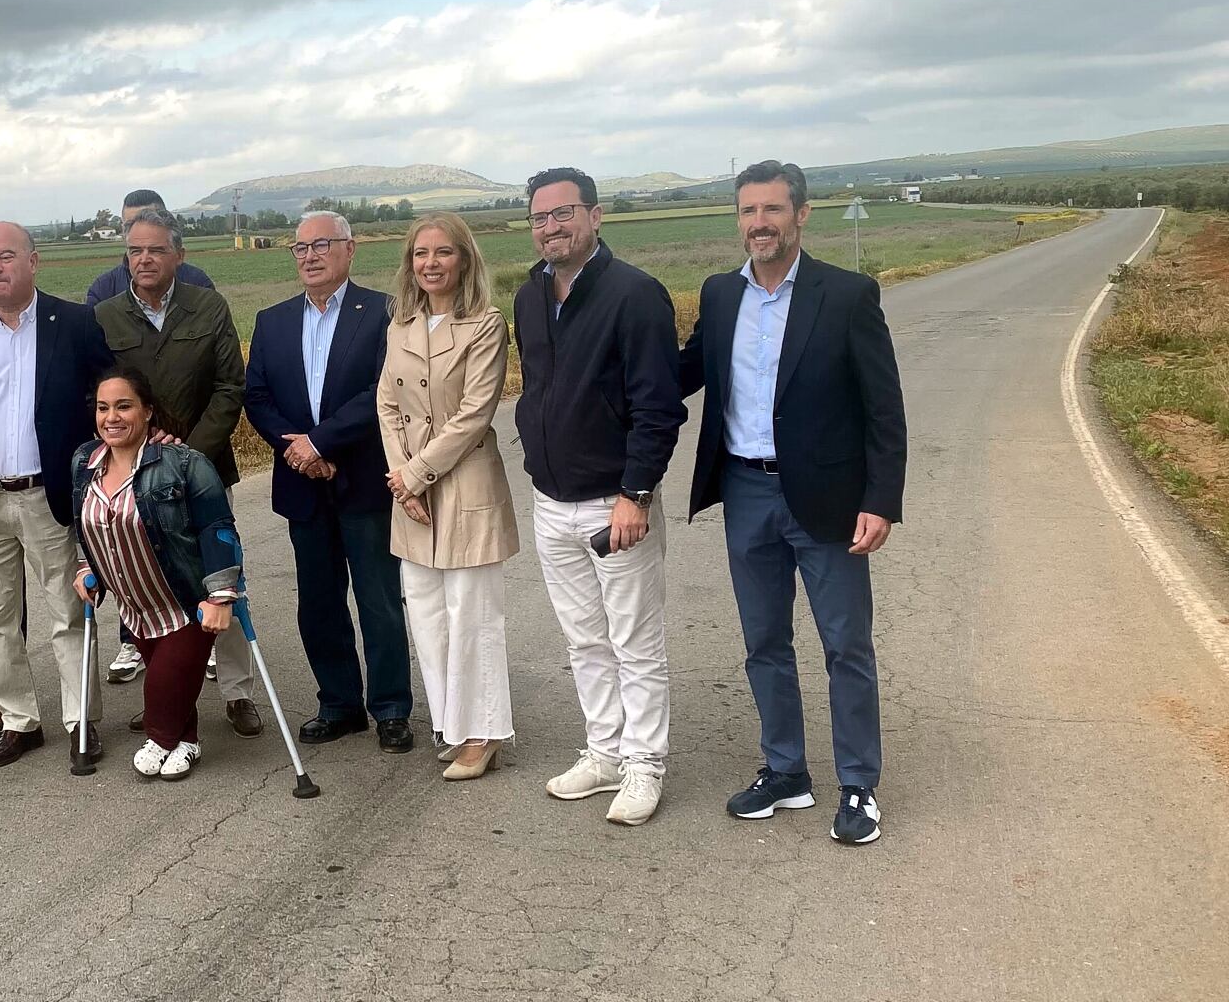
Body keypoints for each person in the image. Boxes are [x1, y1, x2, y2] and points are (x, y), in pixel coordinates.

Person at [679, 160, 907, 845]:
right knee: (763, 642)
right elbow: (681, 373)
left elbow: (884, 409)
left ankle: (858, 783)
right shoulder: (721, 294)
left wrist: (881, 501)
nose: (760, 223)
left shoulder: (847, 295)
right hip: (745, 491)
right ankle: (785, 772)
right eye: (749, 211)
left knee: (846, 645)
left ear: (801, 214)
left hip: (829, 498)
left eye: (773, 209)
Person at [514, 167, 685, 825]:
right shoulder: (531, 296)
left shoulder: (635, 294)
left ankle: (645, 765)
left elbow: (657, 407)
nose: (551, 227)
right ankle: (606, 752)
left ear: (595, 215)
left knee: (634, 642)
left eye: (563, 213)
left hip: (616, 502)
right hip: (552, 500)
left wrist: (636, 493)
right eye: (540, 218)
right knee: (584, 641)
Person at [0, 221, 115, 767]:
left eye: (6, 257)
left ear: (34, 262)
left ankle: (81, 722)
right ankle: (19, 721)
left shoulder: (74, 323)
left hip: (49, 497)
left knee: (68, 613)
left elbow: (110, 400)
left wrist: (105, 472)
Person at [243, 210, 413, 753]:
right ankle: (339, 704)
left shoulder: (384, 312)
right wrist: (298, 451)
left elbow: (384, 389)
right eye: (301, 247)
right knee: (318, 603)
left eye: (322, 245)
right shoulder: (272, 321)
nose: (310, 256)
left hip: (363, 479)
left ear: (350, 249)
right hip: (303, 484)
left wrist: (320, 442)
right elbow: (257, 397)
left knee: (378, 600)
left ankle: (391, 708)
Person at [92, 207, 262, 738]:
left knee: (223, 580)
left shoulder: (207, 306)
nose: (145, 259)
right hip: (133, 478)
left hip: (204, 469)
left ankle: (237, 693)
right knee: (151, 589)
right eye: (135, 250)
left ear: (179, 255)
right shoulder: (106, 315)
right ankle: (167, 700)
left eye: (156, 249)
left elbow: (230, 386)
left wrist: (187, 454)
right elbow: (104, 397)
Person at [376, 213, 519, 781]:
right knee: (427, 614)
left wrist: (415, 475)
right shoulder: (400, 325)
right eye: (420, 253)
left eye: (443, 252)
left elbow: (474, 414)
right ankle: (454, 726)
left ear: (465, 259)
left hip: (464, 483)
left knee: (472, 615)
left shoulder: (485, 325)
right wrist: (401, 477)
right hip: (409, 490)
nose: (430, 263)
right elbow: (387, 404)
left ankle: (484, 732)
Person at [70, 368, 243, 780]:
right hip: (135, 607)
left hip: (186, 601)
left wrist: (221, 596)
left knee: (163, 687)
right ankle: (187, 742)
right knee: (178, 685)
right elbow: (85, 522)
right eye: (103, 408)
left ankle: (161, 737)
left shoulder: (184, 463)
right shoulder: (84, 461)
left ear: (147, 411)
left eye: (124, 406)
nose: (111, 417)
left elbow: (217, 528)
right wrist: (86, 567)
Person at [83, 189, 216, 308]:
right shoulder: (104, 290)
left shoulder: (198, 283)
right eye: (130, 224)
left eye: (149, 220)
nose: (140, 228)